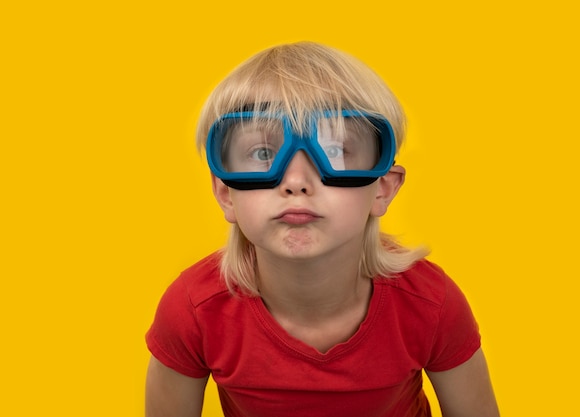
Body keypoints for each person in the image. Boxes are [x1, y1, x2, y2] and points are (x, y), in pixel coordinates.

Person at [145, 41, 499, 417]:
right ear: (225, 193)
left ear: (382, 189)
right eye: (264, 153)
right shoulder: (193, 310)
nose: (296, 181)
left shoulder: (431, 304)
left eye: (334, 151)